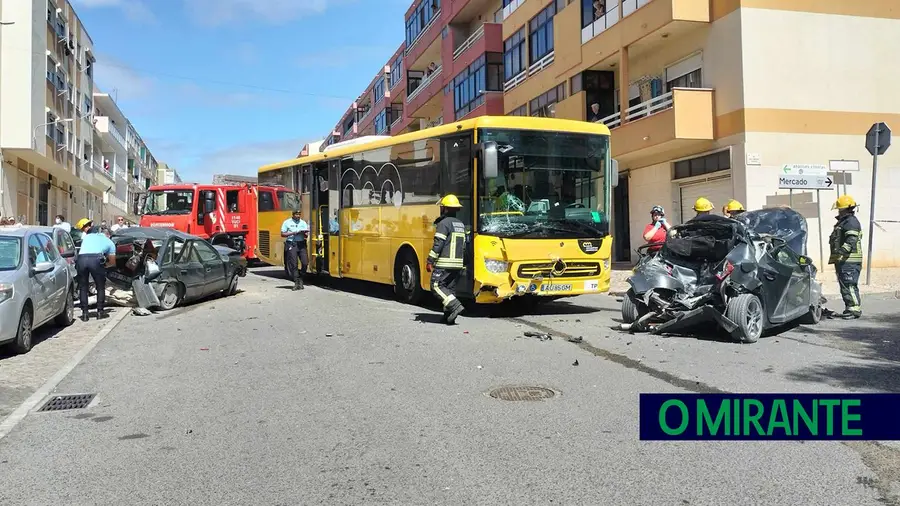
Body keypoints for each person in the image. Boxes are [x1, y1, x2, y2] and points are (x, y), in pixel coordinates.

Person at [425, 195, 467, 325]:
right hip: (458, 264)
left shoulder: (444, 223)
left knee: (436, 285)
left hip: (445, 262)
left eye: (442, 207)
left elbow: (438, 244)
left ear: (445, 209)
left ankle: (455, 306)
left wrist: (430, 260)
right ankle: (449, 316)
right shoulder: (460, 224)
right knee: (449, 289)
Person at [828, 195, 863, 319]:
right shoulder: (844, 222)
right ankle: (850, 308)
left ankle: (854, 309)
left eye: (840, 209)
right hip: (844, 260)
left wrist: (843, 251)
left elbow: (852, 238)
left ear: (845, 209)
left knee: (849, 284)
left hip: (849, 260)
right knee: (845, 284)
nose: (839, 211)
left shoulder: (851, 222)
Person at [74, 218, 115, 321]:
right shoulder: (110, 242)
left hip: (81, 259)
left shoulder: (87, 237)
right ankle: (100, 312)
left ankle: (84, 314)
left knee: (83, 287)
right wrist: (104, 267)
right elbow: (112, 262)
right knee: (100, 286)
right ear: (108, 235)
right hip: (96, 259)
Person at [281, 209, 309, 290]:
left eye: (299, 214)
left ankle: (300, 278)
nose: (298, 216)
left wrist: (304, 233)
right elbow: (282, 234)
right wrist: (293, 233)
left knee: (305, 262)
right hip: (292, 244)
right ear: (293, 215)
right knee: (294, 264)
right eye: (296, 214)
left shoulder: (303, 222)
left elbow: (306, 235)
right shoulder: (287, 222)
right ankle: (297, 282)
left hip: (301, 244)